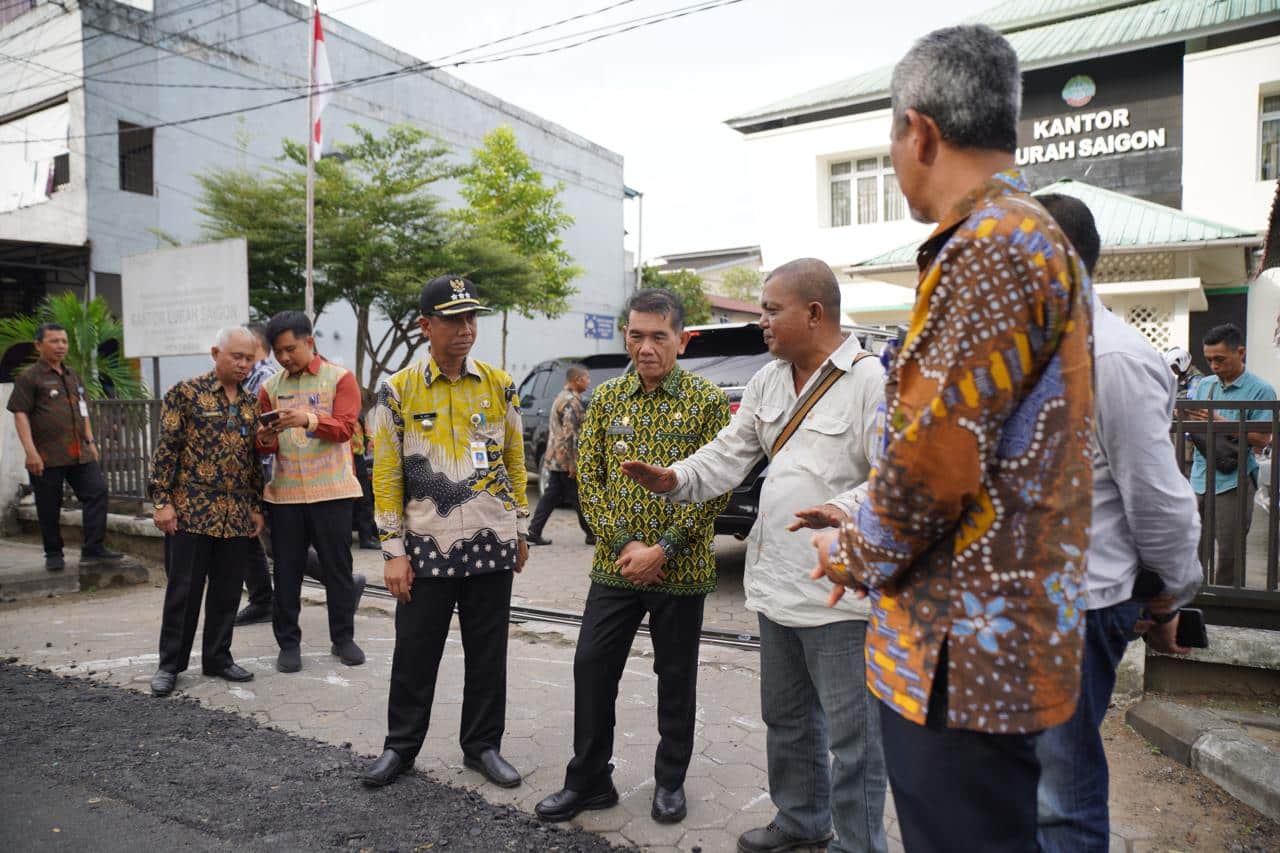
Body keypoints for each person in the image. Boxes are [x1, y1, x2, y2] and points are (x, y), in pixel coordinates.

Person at [808, 25, 1095, 852]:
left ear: (920, 131)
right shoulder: (1034, 238)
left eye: (892, 140)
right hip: (993, 642)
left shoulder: (989, 248)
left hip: (956, 654)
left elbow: (934, 465)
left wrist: (858, 549)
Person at [620, 259, 889, 853]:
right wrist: (673, 478)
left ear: (813, 313)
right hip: (776, 586)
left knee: (854, 741)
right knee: (787, 721)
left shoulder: (872, 381)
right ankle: (800, 822)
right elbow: (727, 453)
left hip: (838, 594)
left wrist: (841, 509)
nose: (762, 321)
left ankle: (861, 844)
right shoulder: (770, 380)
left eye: (772, 310)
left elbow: (895, 477)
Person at [1033, 194, 1202, 852]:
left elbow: (1159, 504)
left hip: (1077, 608)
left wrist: (1168, 600)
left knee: (1060, 795)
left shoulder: (1113, 360)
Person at [535, 289, 730, 826]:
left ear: (681, 341)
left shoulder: (707, 403)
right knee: (592, 667)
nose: (645, 347)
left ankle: (670, 782)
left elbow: (715, 488)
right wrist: (628, 548)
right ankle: (590, 781)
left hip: (680, 569)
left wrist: (663, 549)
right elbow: (590, 484)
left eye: (658, 337)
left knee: (675, 678)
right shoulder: (606, 399)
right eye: (636, 335)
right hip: (615, 569)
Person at [361, 275, 530, 790]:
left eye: (471, 318)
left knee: (488, 653)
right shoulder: (399, 390)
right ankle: (400, 748)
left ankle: (482, 747)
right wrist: (392, 552)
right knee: (415, 652)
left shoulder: (499, 384)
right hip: (425, 546)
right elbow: (386, 476)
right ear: (425, 325)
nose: (465, 329)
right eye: (453, 319)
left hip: (491, 540)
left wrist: (520, 528)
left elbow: (515, 461)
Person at [147, 327, 265, 697]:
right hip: (192, 512)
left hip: (235, 514)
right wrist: (162, 502)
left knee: (228, 591)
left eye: (250, 358)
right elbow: (167, 450)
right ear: (216, 353)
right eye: (237, 357)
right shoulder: (185, 393)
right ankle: (170, 665)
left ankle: (218, 657)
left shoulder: (250, 403)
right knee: (184, 590)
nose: (244, 364)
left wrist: (256, 506)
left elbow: (252, 461)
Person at [256, 310, 365, 672]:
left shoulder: (340, 378)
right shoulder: (270, 389)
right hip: (285, 494)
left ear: (309, 342)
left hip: (331, 491)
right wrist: (267, 439)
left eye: (290, 349)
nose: (284, 358)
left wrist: (307, 419)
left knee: (337, 568)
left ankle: (343, 639)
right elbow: (267, 448)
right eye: (277, 352)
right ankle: (288, 644)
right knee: (286, 573)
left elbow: (347, 428)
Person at [7, 323, 122, 571]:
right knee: (49, 505)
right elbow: (20, 414)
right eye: (54, 341)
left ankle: (93, 548)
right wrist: (30, 452)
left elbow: (83, 411)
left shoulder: (72, 375)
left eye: (64, 341)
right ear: (39, 345)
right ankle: (53, 552)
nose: (61, 346)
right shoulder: (30, 377)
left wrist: (91, 441)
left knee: (97, 492)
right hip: (47, 455)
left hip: (79, 452)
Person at [1186, 322, 1276, 587]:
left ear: (1241, 352)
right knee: (1192, 549)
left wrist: (1222, 422)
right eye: (1209, 360)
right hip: (1199, 478)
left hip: (1233, 481)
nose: (1214, 366)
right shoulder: (1205, 385)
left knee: (1229, 553)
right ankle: (1195, 600)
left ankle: (1225, 603)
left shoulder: (1261, 390)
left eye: (1220, 359)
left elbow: (1262, 440)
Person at [234, 323, 278, 626]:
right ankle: (262, 598)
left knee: (278, 540)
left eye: (242, 352)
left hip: (263, 472)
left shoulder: (265, 378)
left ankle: (341, 579)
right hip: (248, 473)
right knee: (255, 537)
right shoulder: (248, 377)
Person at [527, 364, 595, 547]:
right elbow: (569, 435)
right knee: (578, 497)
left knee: (552, 496)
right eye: (586, 378)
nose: (589, 382)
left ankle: (534, 531)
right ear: (577, 380)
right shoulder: (571, 402)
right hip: (565, 460)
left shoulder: (560, 398)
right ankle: (592, 534)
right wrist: (571, 464)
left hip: (556, 458)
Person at [351, 409, 380, 550]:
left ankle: (367, 537)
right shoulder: (343, 413)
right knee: (357, 502)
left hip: (359, 458)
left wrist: (370, 441)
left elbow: (366, 431)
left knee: (365, 501)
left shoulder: (357, 413)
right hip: (347, 459)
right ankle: (364, 538)